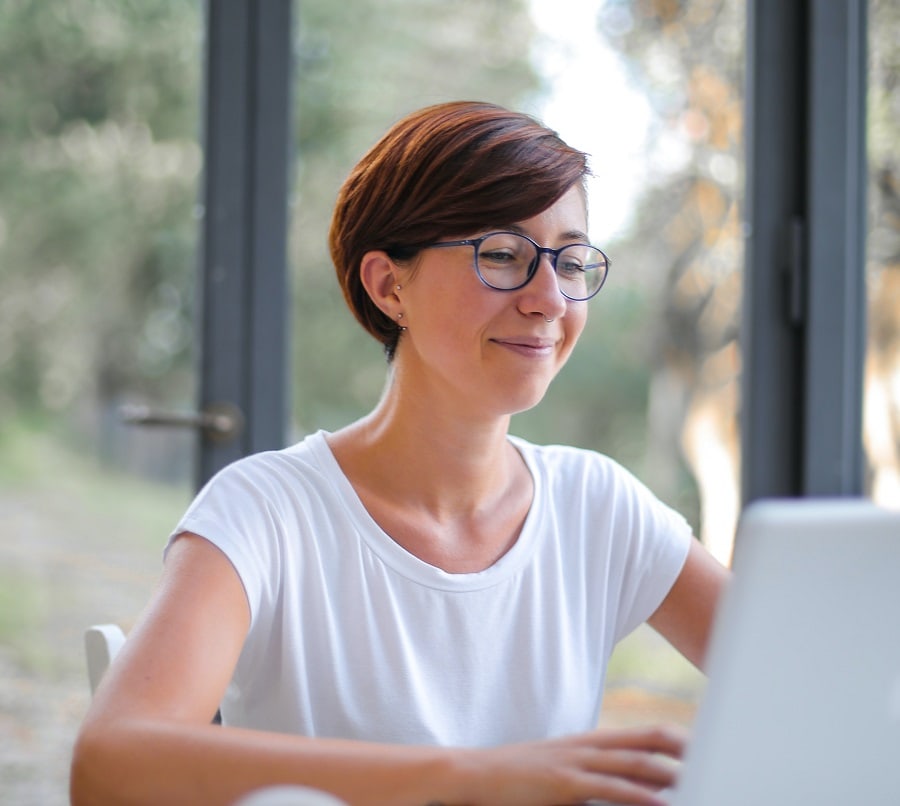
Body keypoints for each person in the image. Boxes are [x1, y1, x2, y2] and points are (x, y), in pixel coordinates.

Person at [71, 100, 729, 806]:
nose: (550, 299)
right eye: (504, 255)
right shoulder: (267, 510)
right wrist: (469, 779)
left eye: (570, 261)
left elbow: (806, 681)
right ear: (390, 285)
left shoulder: (599, 507)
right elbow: (109, 764)